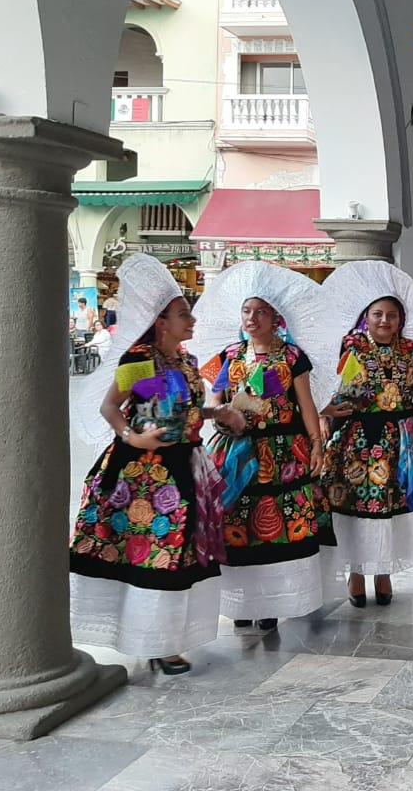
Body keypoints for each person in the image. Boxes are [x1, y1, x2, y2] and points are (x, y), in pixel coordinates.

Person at [69, 254, 237, 675]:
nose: (191, 321)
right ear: (161, 321)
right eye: (184, 314)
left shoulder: (186, 361)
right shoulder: (139, 360)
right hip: (141, 473)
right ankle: (153, 642)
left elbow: (189, 411)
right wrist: (132, 436)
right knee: (151, 554)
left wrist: (223, 413)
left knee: (178, 555)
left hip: (184, 467)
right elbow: (111, 407)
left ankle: (165, 638)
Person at [192, 261, 337, 633]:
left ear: (276, 319)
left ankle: (271, 603)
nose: (252, 318)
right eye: (246, 311)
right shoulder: (228, 356)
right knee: (236, 527)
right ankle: (242, 603)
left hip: (283, 452)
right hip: (236, 452)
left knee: (277, 529)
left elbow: (305, 405)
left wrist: (317, 444)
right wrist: (223, 417)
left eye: (260, 312)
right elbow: (219, 400)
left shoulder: (292, 358)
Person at [316, 261, 413, 608]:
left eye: (391, 315)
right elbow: (338, 388)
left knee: (390, 509)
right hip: (360, 439)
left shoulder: (410, 351)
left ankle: (383, 573)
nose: (384, 321)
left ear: (401, 320)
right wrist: (327, 410)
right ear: (367, 316)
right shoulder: (352, 347)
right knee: (358, 508)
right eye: (377, 314)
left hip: (400, 440)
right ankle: (357, 573)